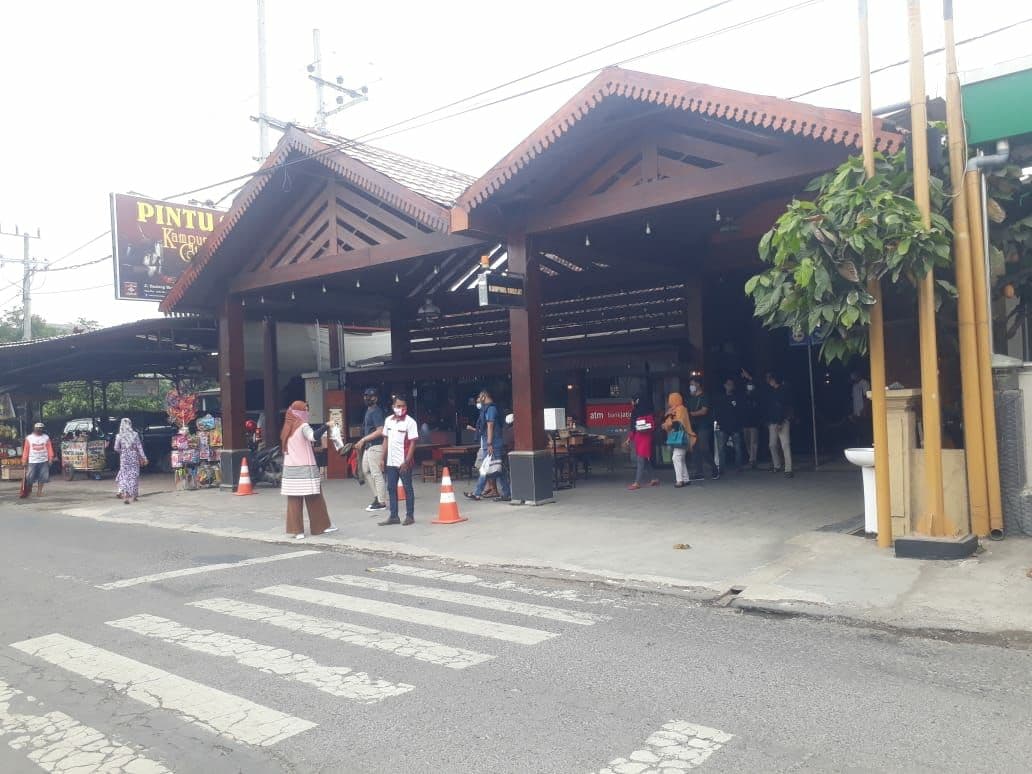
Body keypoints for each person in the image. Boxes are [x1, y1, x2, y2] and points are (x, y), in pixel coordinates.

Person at [280, 400, 339, 540]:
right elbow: (313, 437)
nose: (306, 412)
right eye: (304, 410)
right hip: (306, 468)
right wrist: (326, 425)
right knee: (315, 498)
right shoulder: (303, 425)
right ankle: (321, 526)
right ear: (297, 412)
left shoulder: (287, 428)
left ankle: (297, 531)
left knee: (294, 500)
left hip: (290, 470)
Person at [359, 396, 419, 525]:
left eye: (403, 406)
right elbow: (385, 440)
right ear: (393, 407)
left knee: (408, 488)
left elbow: (413, 443)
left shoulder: (410, 422)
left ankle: (410, 516)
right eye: (398, 406)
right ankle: (394, 516)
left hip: (404, 462)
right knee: (391, 488)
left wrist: (407, 461)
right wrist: (382, 458)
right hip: (391, 462)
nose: (401, 408)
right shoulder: (388, 421)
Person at [466, 390, 511, 502]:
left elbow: (490, 426)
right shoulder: (488, 409)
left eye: (479, 397)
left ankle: (477, 493)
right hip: (493, 442)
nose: (478, 400)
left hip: (493, 443)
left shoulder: (490, 409)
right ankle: (507, 493)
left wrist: (489, 443)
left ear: (484, 396)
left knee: (485, 468)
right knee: (499, 469)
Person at [355, 388, 388, 513]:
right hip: (369, 446)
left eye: (370, 396)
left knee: (376, 473)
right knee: (365, 470)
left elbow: (380, 430)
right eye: (365, 396)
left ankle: (381, 501)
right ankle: (377, 497)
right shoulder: (369, 411)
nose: (367, 398)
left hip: (376, 446)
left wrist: (363, 440)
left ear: (376, 398)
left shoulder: (376, 412)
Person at [763, 370, 794, 478]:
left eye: (770, 379)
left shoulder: (783, 391)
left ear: (774, 380)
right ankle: (777, 465)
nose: (769, 381)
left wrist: (781, 421)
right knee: (772, 444)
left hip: (782, 421)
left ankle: (788, 469)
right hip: (772, 422)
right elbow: (769, 408)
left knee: (785, 444)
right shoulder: (770, 392)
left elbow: (784, 407)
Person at [625, 394, 659, 490]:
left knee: (640, 460)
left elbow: (651, 426)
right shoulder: (635, 412)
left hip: (645, 438)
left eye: (632, 400)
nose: (631, 402)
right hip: (638, 438)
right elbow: (633, 429)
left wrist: (641, 425)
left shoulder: (646, 413)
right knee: (645, 459)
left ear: (637, 400)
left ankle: (637, 482)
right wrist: (629, 439)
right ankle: (654, 479)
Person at [687, 378, 718, 480]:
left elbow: (704, 411)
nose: (691, 386)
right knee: (695, 449)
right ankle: (698, 472)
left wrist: (692, 414)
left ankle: (713, 468)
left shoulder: (704, 396)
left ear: (698, 384)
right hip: (693, 426)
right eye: (690, 384)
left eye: (693, 384)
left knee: (703, 447)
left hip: (704, 425)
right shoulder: (691, 398)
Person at [662, 393, 694, 488]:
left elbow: (678, 422)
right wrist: (667, 415)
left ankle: (679, 481)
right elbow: (667, 421)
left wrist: (667, 424)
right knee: (681, 458)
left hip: (681, 436)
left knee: (676, 458)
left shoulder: (681, 409)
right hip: (679, 437)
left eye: (671, 399)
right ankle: (685, 479)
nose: (669, 401)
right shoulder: (674, 409)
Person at [714, 377, 746, 474]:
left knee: (738, 448)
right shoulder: (720, 398)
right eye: (728, 384)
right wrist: (718, 423)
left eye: (731, 384)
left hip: (735, 427)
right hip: (723, 427)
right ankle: (721, 469)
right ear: (724, 386)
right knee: (721, 449)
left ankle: (739, 467)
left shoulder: (737, 398)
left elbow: (741, 412)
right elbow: (717, 412)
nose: (730, 386)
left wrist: (740, 424)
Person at [114, 418, 148, 505]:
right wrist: (144, 458)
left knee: (125, 476)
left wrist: (123, 451)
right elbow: (139, 447)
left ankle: (125, 494)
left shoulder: (119, 436)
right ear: (130, 424)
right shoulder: (135, 435)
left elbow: (116, 448)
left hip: (124, 458)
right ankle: (134, 495)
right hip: (134, 457)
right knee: (134, 475)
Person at [21, 423, 54, 497]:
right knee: (30, 477)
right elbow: (26, 450)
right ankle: (29, 488)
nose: (40, 429)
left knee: (42, 477)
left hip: (43, 460)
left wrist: (50, 458)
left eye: (41, 428)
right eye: (38, 428)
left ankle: (39, 492)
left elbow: (49, 448)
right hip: (32, 460)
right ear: (34, 428)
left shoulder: (46, 437)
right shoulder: (29, 438)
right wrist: (24, 460)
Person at [740, 369, 762, 469]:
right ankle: (750, 457)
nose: (749, 387)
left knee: (754, 441)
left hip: (754, 421)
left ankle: (753, 460)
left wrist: (749, 377)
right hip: (745, 421)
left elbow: (759, 385)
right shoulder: (743, 395)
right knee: (747, 441)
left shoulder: (757, 394)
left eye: (751, 386)